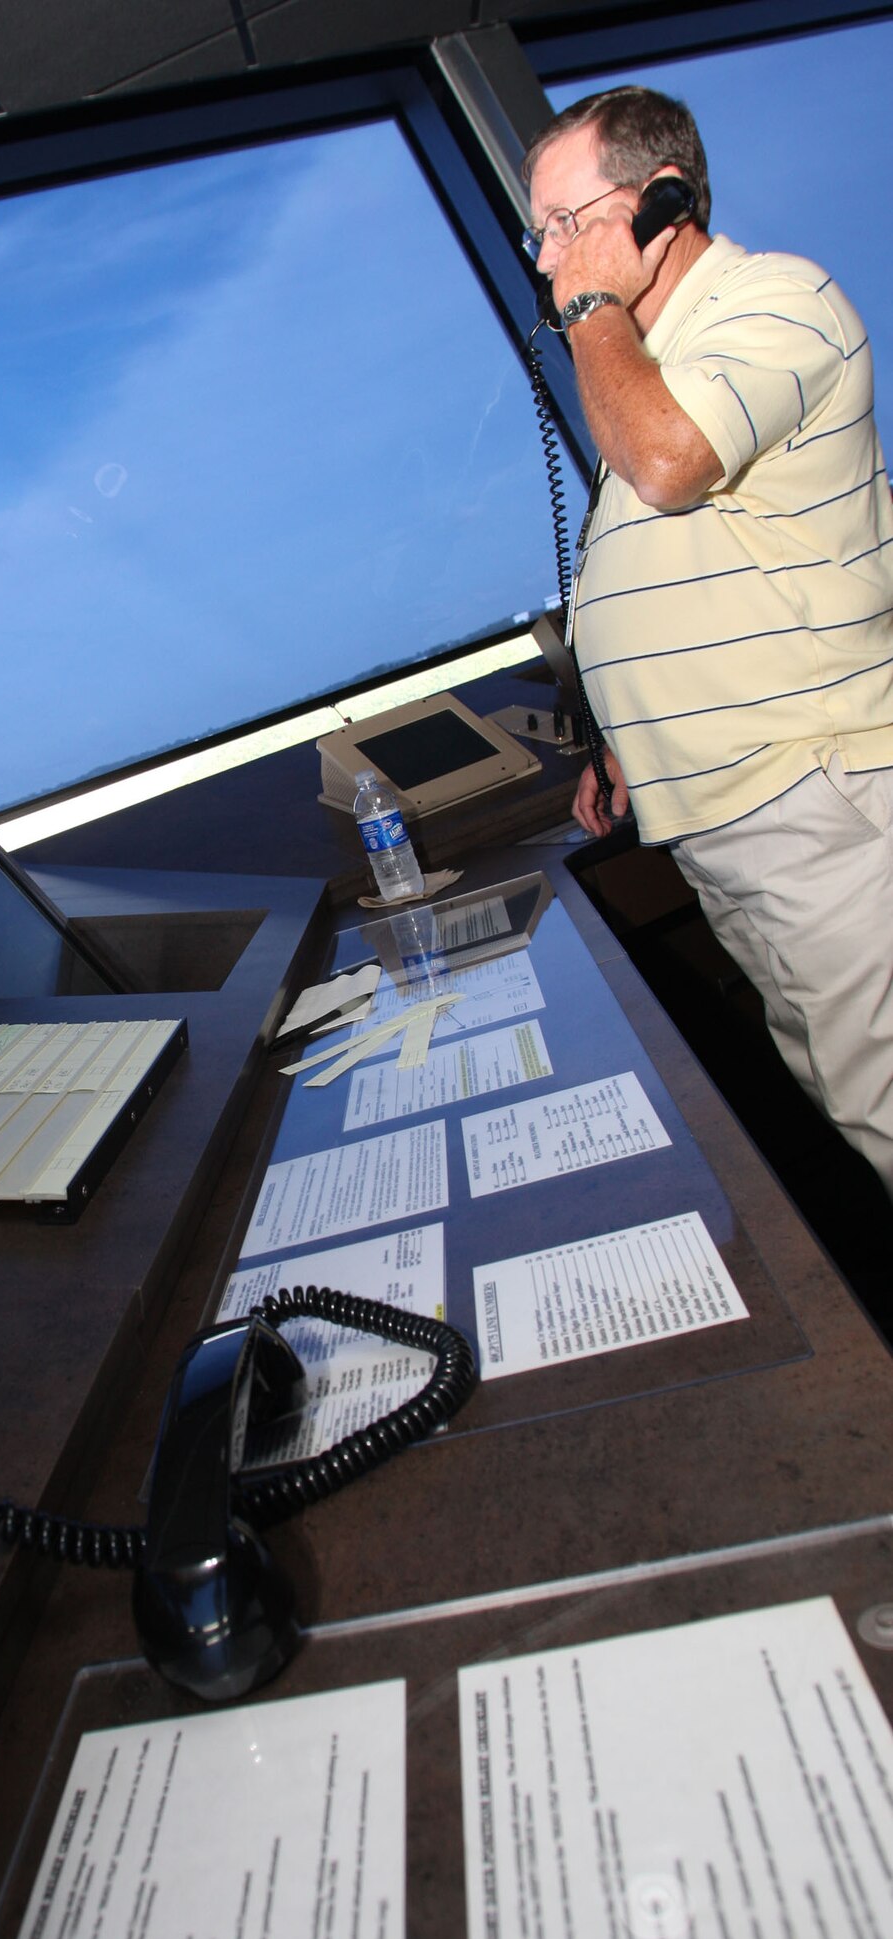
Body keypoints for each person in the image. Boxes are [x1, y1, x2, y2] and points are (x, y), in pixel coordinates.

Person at [523, 85, 893, 1200]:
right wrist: (632, 741)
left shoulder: (774, 299)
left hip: (817, 801)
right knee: (856, 1102)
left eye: (564, 223)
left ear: (660, 202)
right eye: (539, 236)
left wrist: (594, 305)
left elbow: (672, 463)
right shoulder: (656, 362)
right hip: (729, 817)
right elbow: (689, 576)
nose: (547, 260)